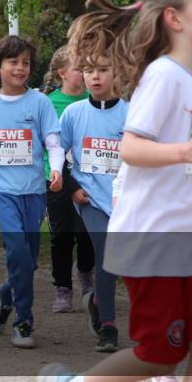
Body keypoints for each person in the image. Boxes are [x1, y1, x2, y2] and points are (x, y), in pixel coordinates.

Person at [39, 0, 192, 382]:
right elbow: (132, 148)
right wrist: (183, 150)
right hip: (154, 238)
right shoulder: (162, 78)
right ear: (174, 19)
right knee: (161, 352)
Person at [0, 35, 64, 349]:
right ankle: (24, 321)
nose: (21, 68)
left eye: (26, 63)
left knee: (29, 261)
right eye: (13, 62)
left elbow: (53, 142)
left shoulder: (40, 102)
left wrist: (57, 168)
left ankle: (6, 293)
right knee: (18, 252)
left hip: (33, 189)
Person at [57, 49, 128, 353]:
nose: (95, 76)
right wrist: (71, 187)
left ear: (117, 73)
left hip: (125, 199)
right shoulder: (73, 114)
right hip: (90, 199)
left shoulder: (131, 111)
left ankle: (97, 300)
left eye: (102, 69)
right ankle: (109, 328)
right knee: (106, 251)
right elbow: (56, 156)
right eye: (88, 70)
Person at [43, 46, 96, 312]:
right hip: (56, 179)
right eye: (79, 67)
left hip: (90, 178)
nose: (85, 72)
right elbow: (50, 146)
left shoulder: (95, 99)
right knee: (62, 235)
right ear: (62, 73)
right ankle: (62, 288)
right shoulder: (49, 103)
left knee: (87, 233)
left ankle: (86, 271)